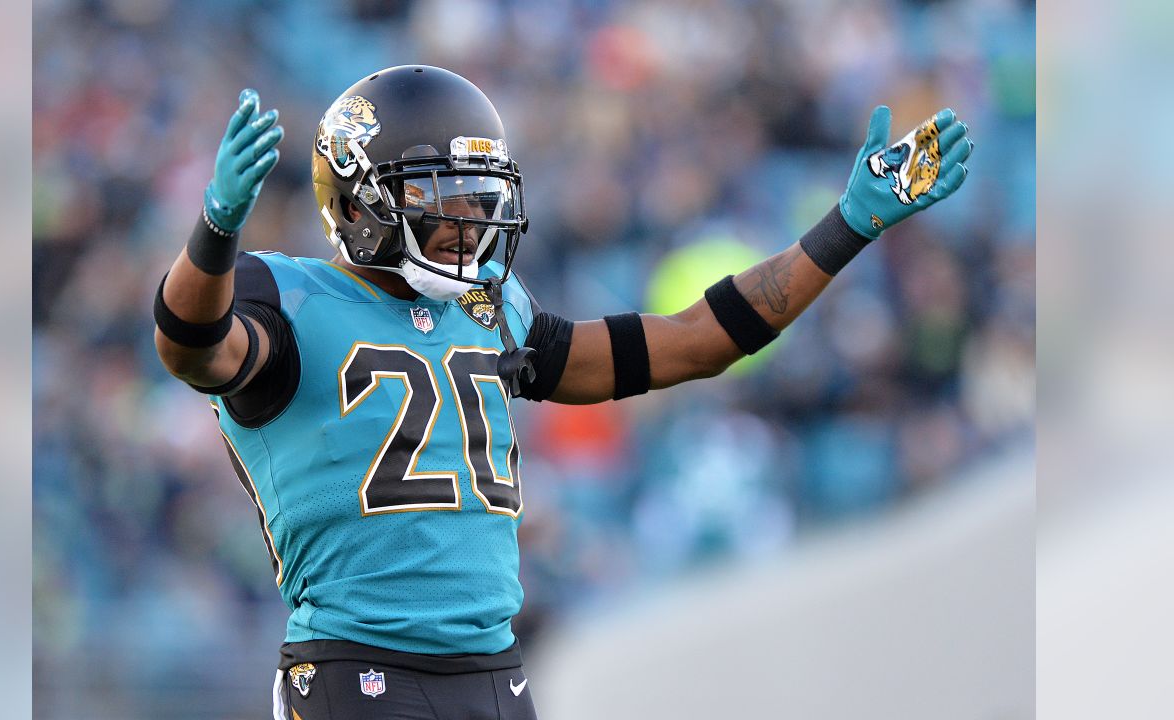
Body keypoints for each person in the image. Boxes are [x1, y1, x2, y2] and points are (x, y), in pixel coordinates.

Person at [152, 65, 973, 720]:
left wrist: (847, 226)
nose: (471, 220)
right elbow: (191, 346)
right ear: (366, 200)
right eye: (443, 196)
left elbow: (692, 344)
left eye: (480, 195)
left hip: (495, 672)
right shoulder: (286, 298)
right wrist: (217, 227)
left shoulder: (490, 310)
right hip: (356, 670)